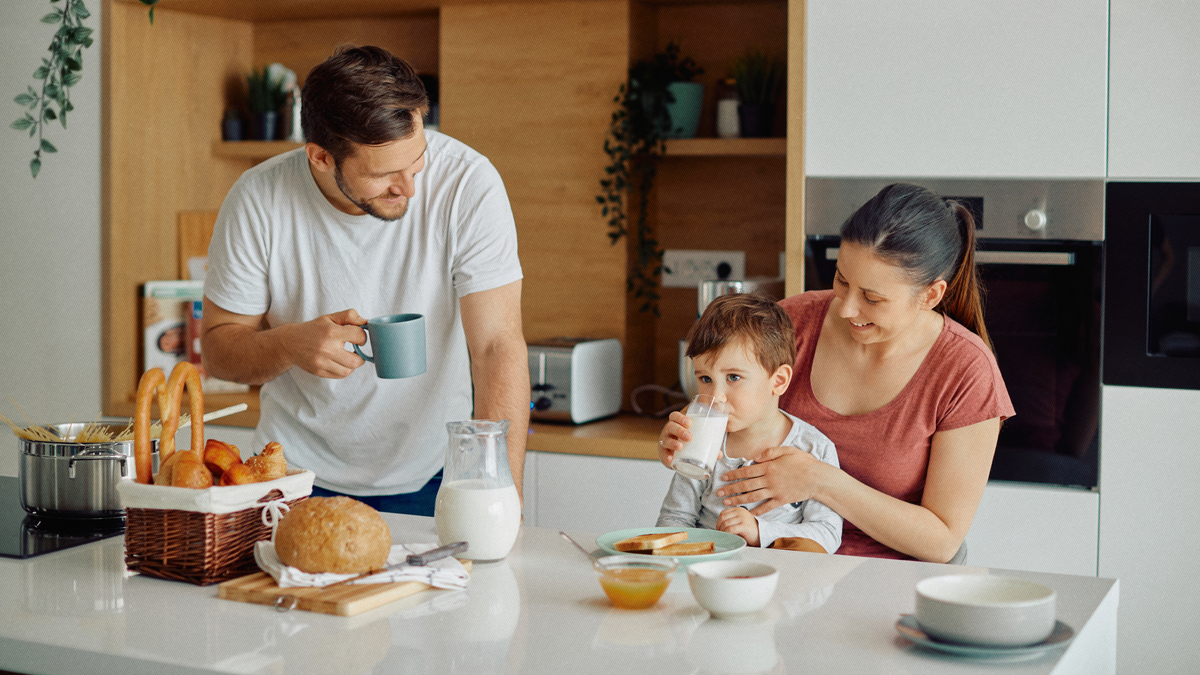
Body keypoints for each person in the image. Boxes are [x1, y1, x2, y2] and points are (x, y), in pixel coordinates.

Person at [200, 46, 529, 515]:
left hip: (437, 473)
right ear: (320, 158)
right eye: (384, 174)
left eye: (416, 162)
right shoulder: (259, 198)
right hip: (292, 478)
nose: (410, 188)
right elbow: (217, 349)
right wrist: (290, 345)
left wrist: (500, 496)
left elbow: (497, 346)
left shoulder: (467, 184)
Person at [659, 183, 1015, 562]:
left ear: (930, 295)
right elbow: (729, 406)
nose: (845, 308)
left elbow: (941, 541)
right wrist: (688, 442)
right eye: (841, 280)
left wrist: (821, 481)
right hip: (769, 568)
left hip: (888, 580)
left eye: (872, 298)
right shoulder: (791, 322)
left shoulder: (966, 371)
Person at [657, 294, 842, 554]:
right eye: (706, 379)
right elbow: (673, 521)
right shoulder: (702, 441)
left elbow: (827, 534)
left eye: (733, 377)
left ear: (778, 381)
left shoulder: (814, 448)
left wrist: (760, 531)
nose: (715, 396)